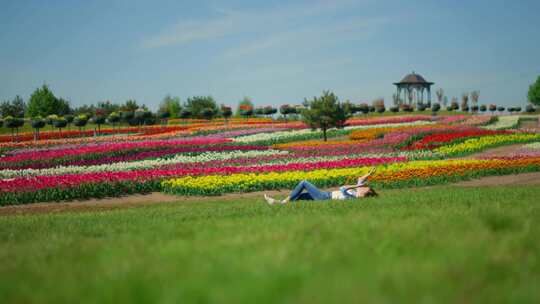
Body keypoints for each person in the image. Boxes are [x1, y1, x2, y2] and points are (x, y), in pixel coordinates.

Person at [264, 168, 377, 205]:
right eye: (362, 187)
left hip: (324, 197)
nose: (361, 187)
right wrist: (370, 174)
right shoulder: (356, 191)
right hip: (326, 195)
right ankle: (277, 203)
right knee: (299, 197)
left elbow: (343, 188)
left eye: (364, 188)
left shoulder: (353, 197)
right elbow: (360, 179)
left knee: (304, 183)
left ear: (364, 194)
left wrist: (356, 186)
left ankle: (280, 204)